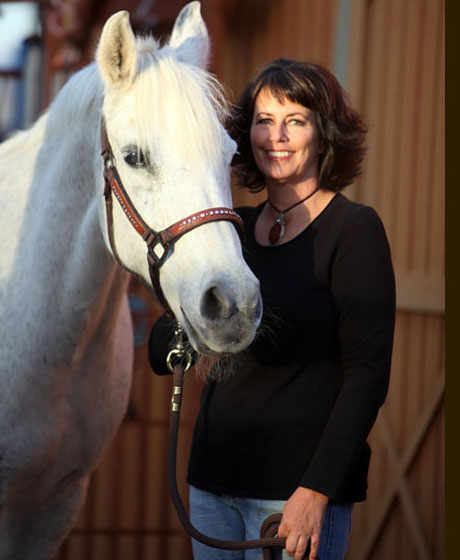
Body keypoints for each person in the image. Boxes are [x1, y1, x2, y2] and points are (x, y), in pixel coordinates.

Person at [148, 58, 395, 560]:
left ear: (323, 136)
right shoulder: (230, 229)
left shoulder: (354, 231)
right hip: (212, 487)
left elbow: (367, 374)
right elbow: (165, 350)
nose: (276, 137)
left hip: (292, 498)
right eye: (264, 121)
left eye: (295, 121)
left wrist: (316, 492)